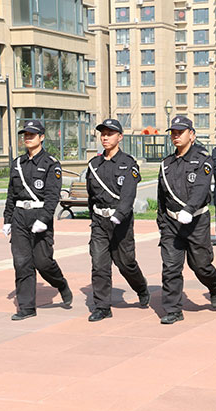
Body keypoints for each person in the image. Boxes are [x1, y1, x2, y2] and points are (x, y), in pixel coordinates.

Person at [2, 120, 72, 320]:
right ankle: (26, 308)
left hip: (39, 216)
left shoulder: (50, 163)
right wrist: (7, 219)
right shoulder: (18, 163)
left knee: (43, 262)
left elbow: (52, 195)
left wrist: (44, 219)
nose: (28, 138)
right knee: (21, 263)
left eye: (32, 135)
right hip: (19, 217)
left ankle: (60, 283)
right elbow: (11, 194)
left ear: (41, 137)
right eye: (25, 135)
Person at [157, 115, 216, 324]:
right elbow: (161, 197)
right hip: (172, 224)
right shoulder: (166, 164)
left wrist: (189, 209)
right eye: (173, 133)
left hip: (196, 222)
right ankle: (173, 310)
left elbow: (201, 188)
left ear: (192, 135)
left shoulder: (203, 159)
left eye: (180, 132)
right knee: (171, 267)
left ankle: (214, 286)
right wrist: (162, 222)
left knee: (200, 265)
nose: (176, 136)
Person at [85, 119, 150, 322]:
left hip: (120, 222)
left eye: (110, 134)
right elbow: (91, 195)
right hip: (99, 222)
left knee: (126, 263)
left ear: (120, 137)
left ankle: (141, 287)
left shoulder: (128, 163)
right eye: (103, 134)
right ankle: (102, 306)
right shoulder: (94, 165)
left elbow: (128, 194)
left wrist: (119, 215)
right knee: (99, 264)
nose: (105, 137)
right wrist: (95, 216)